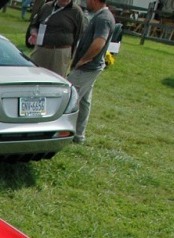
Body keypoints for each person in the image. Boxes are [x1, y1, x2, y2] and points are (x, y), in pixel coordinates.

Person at [66, 0, 115, 144]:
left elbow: (99, 42)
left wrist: (83, 60)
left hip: (88, 68)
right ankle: (78, 135)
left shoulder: (103, 18)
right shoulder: (101, 16)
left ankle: (64, 132)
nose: (85, 2)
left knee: (71, 98)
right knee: (85, 102)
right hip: (92, 67)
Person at [27, 0, 84, 77]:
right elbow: (34, 25)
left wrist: (71, 55)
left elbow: (78, 35)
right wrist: (34, 33)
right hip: (41, 50)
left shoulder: (76, 11)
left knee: (56, 79)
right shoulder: (47, 6)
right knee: (33, 77)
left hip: (60, 53)